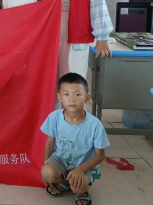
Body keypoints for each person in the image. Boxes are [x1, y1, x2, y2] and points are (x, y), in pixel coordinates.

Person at [41, 73, 109, 205]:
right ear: (60, 97)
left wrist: (81, 169)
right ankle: (68, 183)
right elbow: (50, 142)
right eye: (66, 94)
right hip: (60, 160)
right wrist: (45, 163)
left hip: (84, 164)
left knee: (79, 185)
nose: (71, 99)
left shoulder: (95, 125)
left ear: (87, 97)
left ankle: (79, 189)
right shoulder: (54, 117)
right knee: (47, 173)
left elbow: (100, 155)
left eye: (77, 94)